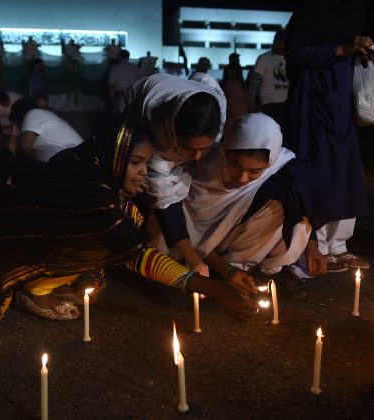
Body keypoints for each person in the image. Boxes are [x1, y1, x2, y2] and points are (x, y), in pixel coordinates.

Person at [0, 118, 257, 329]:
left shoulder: (93, 170)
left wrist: (222, 275)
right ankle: (34, 287)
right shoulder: (92, 191)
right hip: (1, 248)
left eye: (146, 162)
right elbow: (134, 254)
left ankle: (45, 278)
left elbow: (134, 238)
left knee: (120, 227)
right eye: (136, 162)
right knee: (113, 236)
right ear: (116, 154)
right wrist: (213, 289)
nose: (143, 172)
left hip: (28, 233)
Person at [285, 0, 374, 271]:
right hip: (311, 98)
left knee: (344, 168)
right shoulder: (315, 1)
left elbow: (348, 46)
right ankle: (316, 247)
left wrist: (364, 48)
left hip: (339, 99)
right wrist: (341, 49)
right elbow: (295, 52)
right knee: (317, 168)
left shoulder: (357, 8)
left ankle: (340, 246)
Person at [124, 73, 254, 292]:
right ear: (174, 133)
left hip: (180, 106)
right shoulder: (157, 137)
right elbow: (166, 205)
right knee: (152, 197)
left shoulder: (216, 109)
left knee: (185, 191)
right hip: (136, 112)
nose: (196, 157)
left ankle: (169, 260)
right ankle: (148, 260)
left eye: (205, 147)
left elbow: (203, 79)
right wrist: (195, 260)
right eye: (189, 148)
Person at [183, 113, 330, 299]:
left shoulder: (281, 165)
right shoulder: (205, 168)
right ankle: (226, 273)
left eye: (254, 171)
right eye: (235, 164)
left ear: (269, 163)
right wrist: (226, 270)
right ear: (226, 151)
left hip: (238, 237)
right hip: (199, 249)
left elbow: (303, 203)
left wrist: (311, 247)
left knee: (287, 195)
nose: (242, 178)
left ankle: (247, 269)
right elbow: (189, 232)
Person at [9, 99, 82, 164]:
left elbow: (23, 152)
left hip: (71, 166)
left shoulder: (33, 113)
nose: (17, 130)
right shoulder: (45, 115)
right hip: (72, 166)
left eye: (17, 125)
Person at [248, 30, 289, 132]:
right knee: (269, 132)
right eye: (278, 43)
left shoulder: (291, 58)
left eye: (283, 43)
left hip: (287, 103)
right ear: (274, 42)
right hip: (269, 103)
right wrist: (252, 104)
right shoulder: (264, 58)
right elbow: (253, 83)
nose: (280, 46)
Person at [107, 49, 143, 115]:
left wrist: (111, 97)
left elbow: (111, 85)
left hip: (119, 95)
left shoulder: (115, 68)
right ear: (128, 56)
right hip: (132, 94)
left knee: (118, 117)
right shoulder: (136, 68)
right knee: (132, 116)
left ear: (119, 56)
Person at [221, 53, 248, 133]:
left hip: (234, 95)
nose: (239, 60)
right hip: (234, 94)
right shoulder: (233, 69)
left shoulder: (233, 69)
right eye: (237, 58)